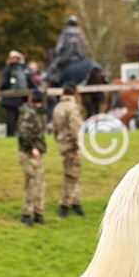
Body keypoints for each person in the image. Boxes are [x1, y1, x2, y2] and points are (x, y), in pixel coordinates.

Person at [53, 84, 86, 218]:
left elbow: (55, 129)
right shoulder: (72, 107)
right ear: (75, 93)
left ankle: (75, 201)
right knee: (72, 176)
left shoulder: (58, 107)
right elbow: (75, 129)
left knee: (73, 173)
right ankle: (65, 204)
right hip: (71, 145)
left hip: (62, 144)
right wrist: (77, 147)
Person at [17, 90, 49, 227]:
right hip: (29, 153)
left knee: (40, 184)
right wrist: (32, 148)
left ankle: (38, 212)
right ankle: (27, 213)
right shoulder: (28, 114)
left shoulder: (38, 113)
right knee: (32, 184)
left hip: (37, 153)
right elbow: (23, 133)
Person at [46, 16, 90, 84]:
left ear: (68, 23)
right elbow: (85, 45)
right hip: (80, 58)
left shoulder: (65, 32)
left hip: (66, 58)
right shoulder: (80, 33)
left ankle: (56, 82)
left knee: (53, 68)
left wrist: (57, 53)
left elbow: (59, 47)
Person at [0, 51, 32, 137]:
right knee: (20, 116)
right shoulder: (24, 69)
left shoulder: (8, 69)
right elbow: (30, 81)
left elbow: (4, 84)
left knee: (11, 117)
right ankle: (20, 133)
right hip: (22, 97)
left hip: (10, 97)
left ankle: (11, 134)